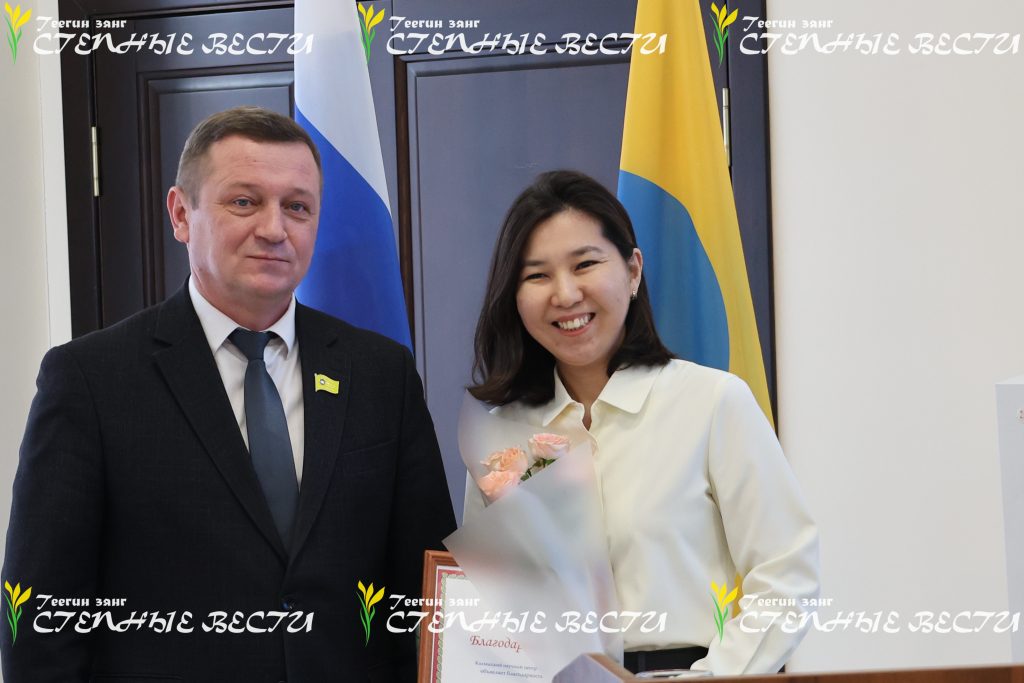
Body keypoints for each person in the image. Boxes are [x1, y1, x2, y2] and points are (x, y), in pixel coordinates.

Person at [1, 106, 456, 682]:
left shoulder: (381, 374)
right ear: (180, 214)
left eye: (297, 207)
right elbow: (42, 618)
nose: (274, 229)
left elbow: (425, 590)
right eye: (244, 201)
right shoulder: (90, 379)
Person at [462, 170, 819, 674]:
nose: (565, 294)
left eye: (585, 264)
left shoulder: (712, 403)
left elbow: (787, 574)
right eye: (537, 275)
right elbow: (490, 610)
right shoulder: (501, 438)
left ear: (632, 271)